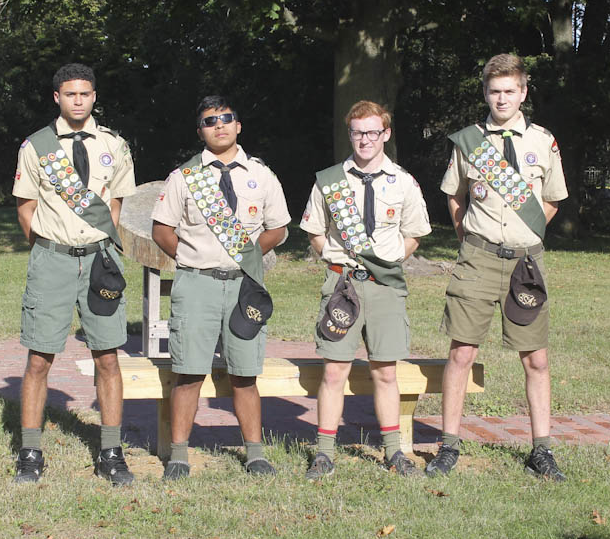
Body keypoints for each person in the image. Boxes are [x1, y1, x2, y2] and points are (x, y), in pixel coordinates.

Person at [432, 53, 569, 481]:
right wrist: (469, 238)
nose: (502, 98)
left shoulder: (543, 142)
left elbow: (552, 199)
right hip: (477, 257)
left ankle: (541, 450)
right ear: (486, 94)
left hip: (525, 263)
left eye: (511, 90)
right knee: (461, 353)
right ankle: (449, 446)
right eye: (495, 91)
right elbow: (455, 197)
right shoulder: (469, 141)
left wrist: (527, 232)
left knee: (537, 359)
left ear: (524, 92)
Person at [151, 95, 291, 479]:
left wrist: (249, 252)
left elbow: (278, 227)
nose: (220, 125)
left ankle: (255, 454)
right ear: (201, 130)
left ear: (239, 125)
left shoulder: (261, 176)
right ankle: (179, 455)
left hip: (244, 285)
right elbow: (161, 229)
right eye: (210, 121)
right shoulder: (184, 177)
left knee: (245, 373)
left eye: (227, 118)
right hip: (198, 284)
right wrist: (191, 255)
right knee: (189, 371)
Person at [12, 63, 137, 485]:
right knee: (39, 357)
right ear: (57, 98)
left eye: (85, 94)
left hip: (101, 260)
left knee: (107, 355)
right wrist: (53, 248)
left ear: (94, 96)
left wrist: (96, 242)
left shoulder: (115, 146)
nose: (78, 101)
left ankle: (111, 451)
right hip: (52, 260)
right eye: (70, 94)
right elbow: (25, 208)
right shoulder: (36, 147)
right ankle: (30, 451)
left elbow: (115, 204)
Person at [299, 100, 432, 479]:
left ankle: (393, 451)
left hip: (385, 287)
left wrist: (388, 260)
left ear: (385, 134)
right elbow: (314, 231)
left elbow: (414, 234)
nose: (364, 140)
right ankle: (324, 452)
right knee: (334, 370)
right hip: (342, 285)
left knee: (386, 371)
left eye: (372, 132)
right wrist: (337, 260)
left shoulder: (403, 182)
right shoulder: (330, 181)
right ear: (350, 134)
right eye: (357, 132)